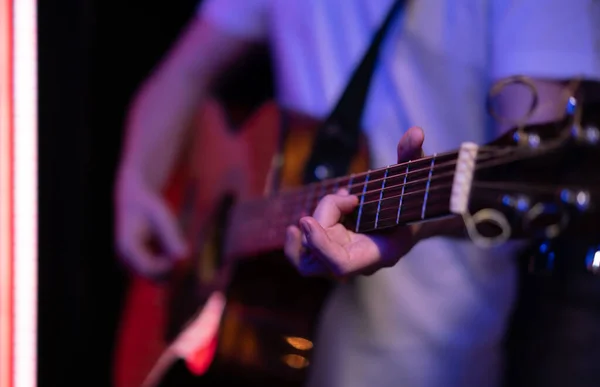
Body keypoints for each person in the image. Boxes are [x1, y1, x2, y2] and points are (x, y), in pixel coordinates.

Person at [114, 0, 600, 386]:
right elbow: (182, 73)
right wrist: (135, 182)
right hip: (271, 339)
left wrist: (413, 217)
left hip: (420, 356)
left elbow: (542, 156)